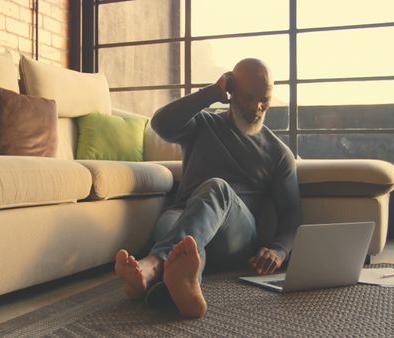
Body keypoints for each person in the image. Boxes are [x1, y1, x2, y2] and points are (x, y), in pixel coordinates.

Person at [114, 58, 302, 318]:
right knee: (182, 238)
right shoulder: (202, 124)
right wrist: (212, 93)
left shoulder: (278, 153)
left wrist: (279, 250)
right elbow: (161, 124)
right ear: (231, 91)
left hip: (235, 237)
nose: (258, 108)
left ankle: (153, 265)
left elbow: (292, 213)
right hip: (183, 219)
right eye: (249, 98)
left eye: (265, 100)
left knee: (217, 188)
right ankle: (178, 292)